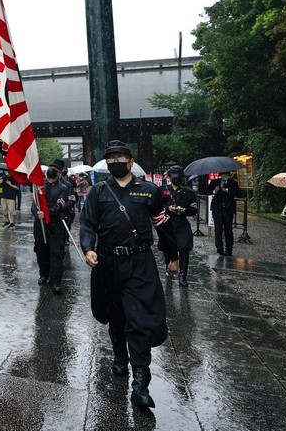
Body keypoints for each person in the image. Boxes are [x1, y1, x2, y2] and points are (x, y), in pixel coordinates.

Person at [80, 140, 174, 409]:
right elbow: (87, 222)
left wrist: (173, 256)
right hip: (108, 262)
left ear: (131, 162)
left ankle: (141, 382)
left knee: (140, 319)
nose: (116, 161)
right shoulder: (98, 191)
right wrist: (88, 248)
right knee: (116, 315)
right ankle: (119, 356)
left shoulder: (149, 191)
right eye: (111, 158)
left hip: (140, 262)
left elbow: (162, 224)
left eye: (121, 157)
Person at [31, 158, 75, 294]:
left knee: (56, 253)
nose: (50, 171)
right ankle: (43, 274)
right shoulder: (40, 186)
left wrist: (47, 213)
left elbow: (61, 205)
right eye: (49, 168)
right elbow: (34, 203)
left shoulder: (64, 187)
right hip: (40, 223)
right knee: (40, 250)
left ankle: (55, 280)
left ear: (60, 172)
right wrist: (37, 213)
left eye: (54, 170)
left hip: (55, 224)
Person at [158, 165, 198, 286]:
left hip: (182, 223)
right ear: (169, 177)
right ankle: (169, 268)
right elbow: (156, 206)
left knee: (184, 248)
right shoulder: (162, 190)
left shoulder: (188, 192)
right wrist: (167, 208)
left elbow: (194, 209)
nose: (177, 179)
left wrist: (185, 210)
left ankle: (183, 274)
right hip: (167, 223)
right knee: (167, 247)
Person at [207, 171, 242, 256]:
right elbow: (206, 191)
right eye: (223, 174)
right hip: (217, 208)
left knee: (228, 229)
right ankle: (219, 248)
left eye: (226, 174)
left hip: (228, 208)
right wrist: (214, 191)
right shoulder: (215, 182)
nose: (224, 176)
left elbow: (239, 194)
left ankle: (229, 248)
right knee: (218, 229)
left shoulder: (233, 183)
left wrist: (226, 190)